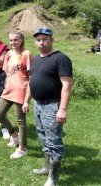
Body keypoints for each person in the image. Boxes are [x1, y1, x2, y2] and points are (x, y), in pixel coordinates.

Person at [25, 27, 73, 186]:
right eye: (38, 40)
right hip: (38, 105)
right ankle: (47, 167)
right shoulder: (36, 59)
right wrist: (26, 101)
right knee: (43, 137)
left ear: (51, 40)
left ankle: (53, 179)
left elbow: (66, 85)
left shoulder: (61, 59)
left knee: (54, 143)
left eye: (45, 39)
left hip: (52, 106)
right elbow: (31, 82)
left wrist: (63, 109)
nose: (41, 42)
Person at [0, 29, 32, 159]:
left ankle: (22, 148)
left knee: (21, 121)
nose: (13, 42)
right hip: (8, 90)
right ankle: (14, 135)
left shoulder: (26, 53)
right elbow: (6, 72)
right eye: (11, 40)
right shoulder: (9, 54)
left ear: (21, 40)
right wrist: (6, 85)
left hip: (21, 90)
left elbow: (30, 76)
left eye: (16, 40)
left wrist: (27, 98)